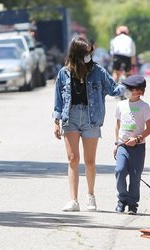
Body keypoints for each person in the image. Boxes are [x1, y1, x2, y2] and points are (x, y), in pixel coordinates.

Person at [53, 36, 125, 212]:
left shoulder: (98, 71)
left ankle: (90, 196)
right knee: (72, 159)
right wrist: (56, 121)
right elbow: (58, 100)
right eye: (86, 53)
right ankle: (73, 200)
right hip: (70, 117)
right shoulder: (64, 73)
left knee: (90, 161)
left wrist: (132, 87)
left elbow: (113, 88)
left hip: (91, 117)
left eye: (90, 53)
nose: (89, 56)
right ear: (77, 54)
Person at [113, 74, 150, 215]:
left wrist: (137, 139)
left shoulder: (144, 107)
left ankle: (132, 204)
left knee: (135, 177)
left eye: (135, 89)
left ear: (140, 91)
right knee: (120, 170)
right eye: (129, 89)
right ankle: (122, 199)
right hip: (122, 145)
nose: (131, 92)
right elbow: (118, 125)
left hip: (138, 147)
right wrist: (117, 143)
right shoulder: (121, 105)